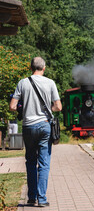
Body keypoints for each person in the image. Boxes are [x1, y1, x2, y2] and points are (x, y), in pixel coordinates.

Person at [10, 57, 62, 207]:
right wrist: (47, 110)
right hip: (45, 125)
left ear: (30, 67)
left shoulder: (22, 83)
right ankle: (42, 199)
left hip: (28, 127)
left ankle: (31, 197)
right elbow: (58, 106)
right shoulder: (50, 83)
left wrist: (25, 108)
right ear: (44, 68)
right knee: (44, 163)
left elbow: (12, 106)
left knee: (31, 162)